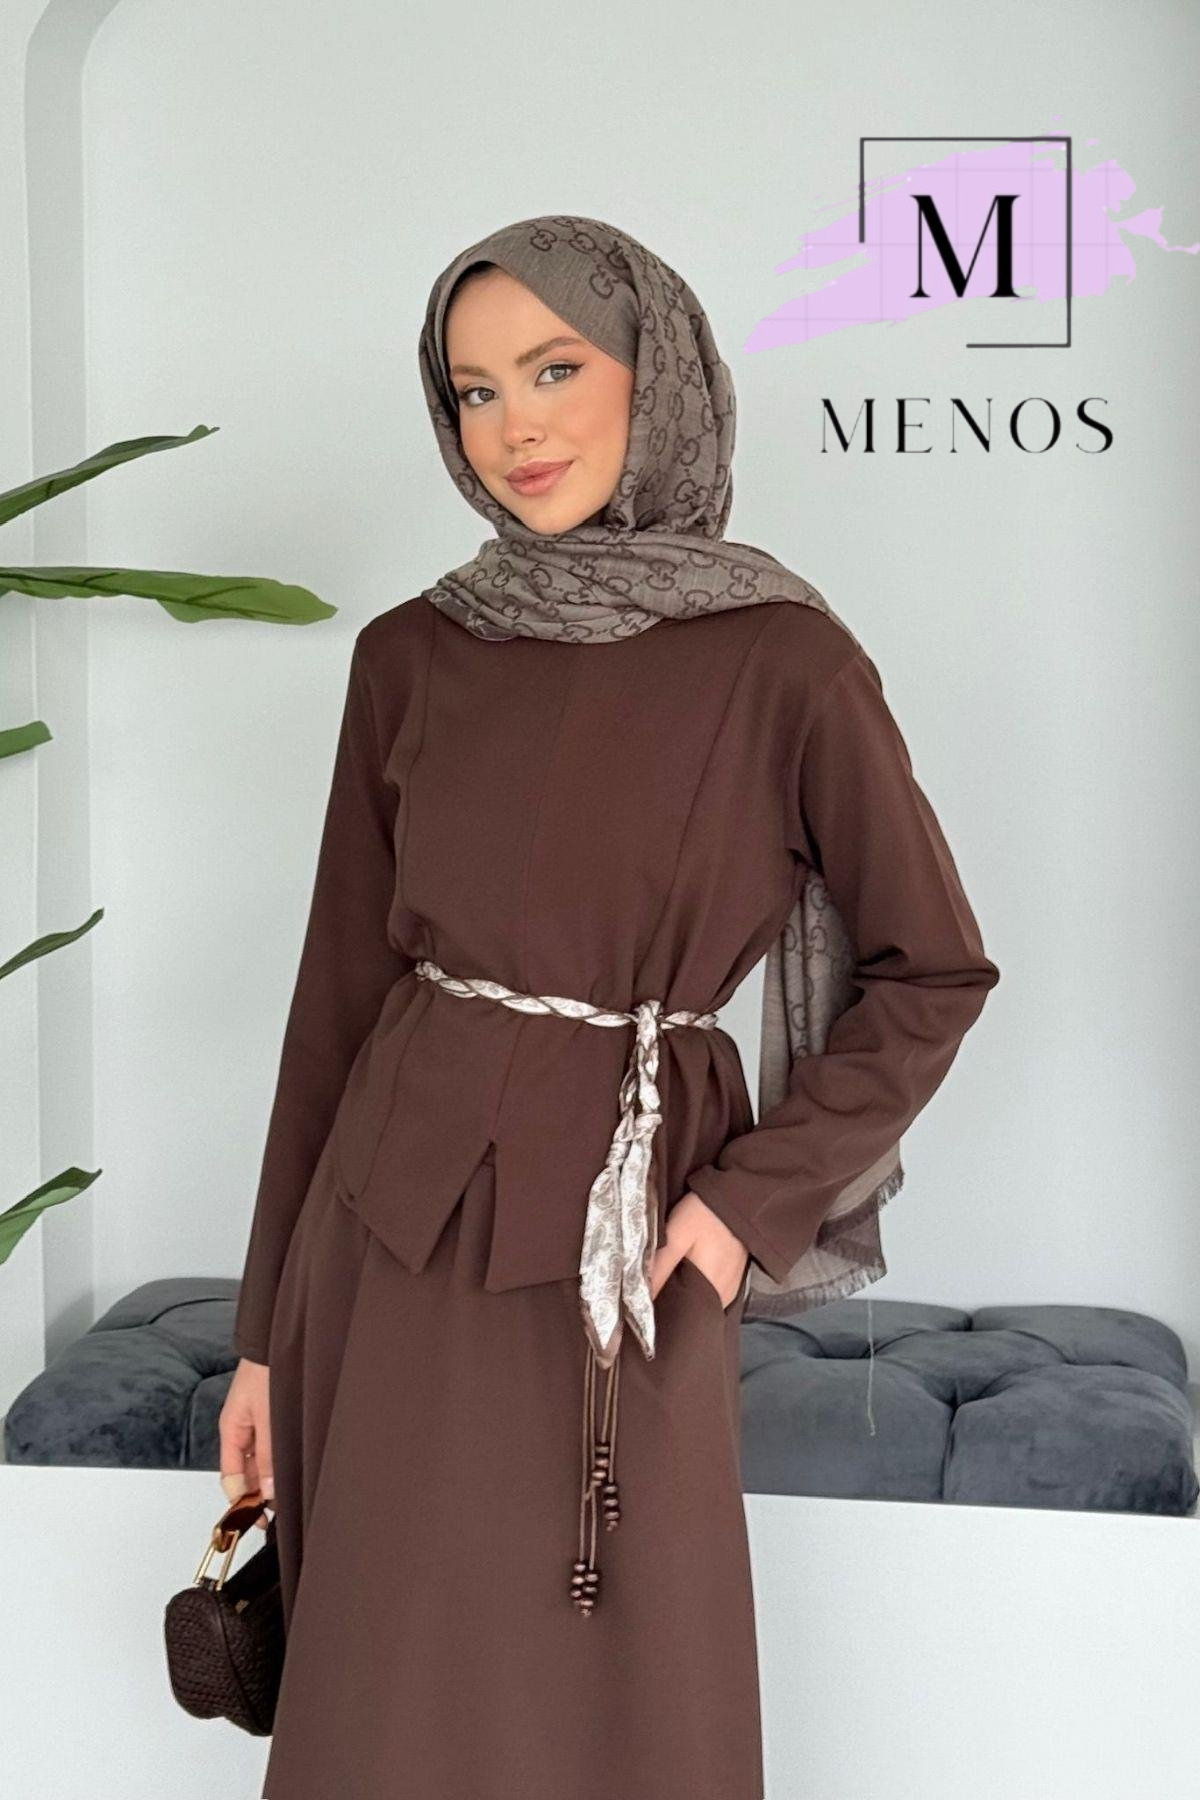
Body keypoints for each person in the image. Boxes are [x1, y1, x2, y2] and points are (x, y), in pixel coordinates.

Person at [218, 214, 1000, 1800]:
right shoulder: (410, 655)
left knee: (622, 1695)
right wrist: (260, 1346)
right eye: (473, 391)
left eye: (556, 369)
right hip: (383, 1239)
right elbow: (336, 1004)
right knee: (383, 1699)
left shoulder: (786, 662)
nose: (514, 425)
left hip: (627, 1245)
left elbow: (932, 970)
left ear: (662, 376)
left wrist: (743, 1208)